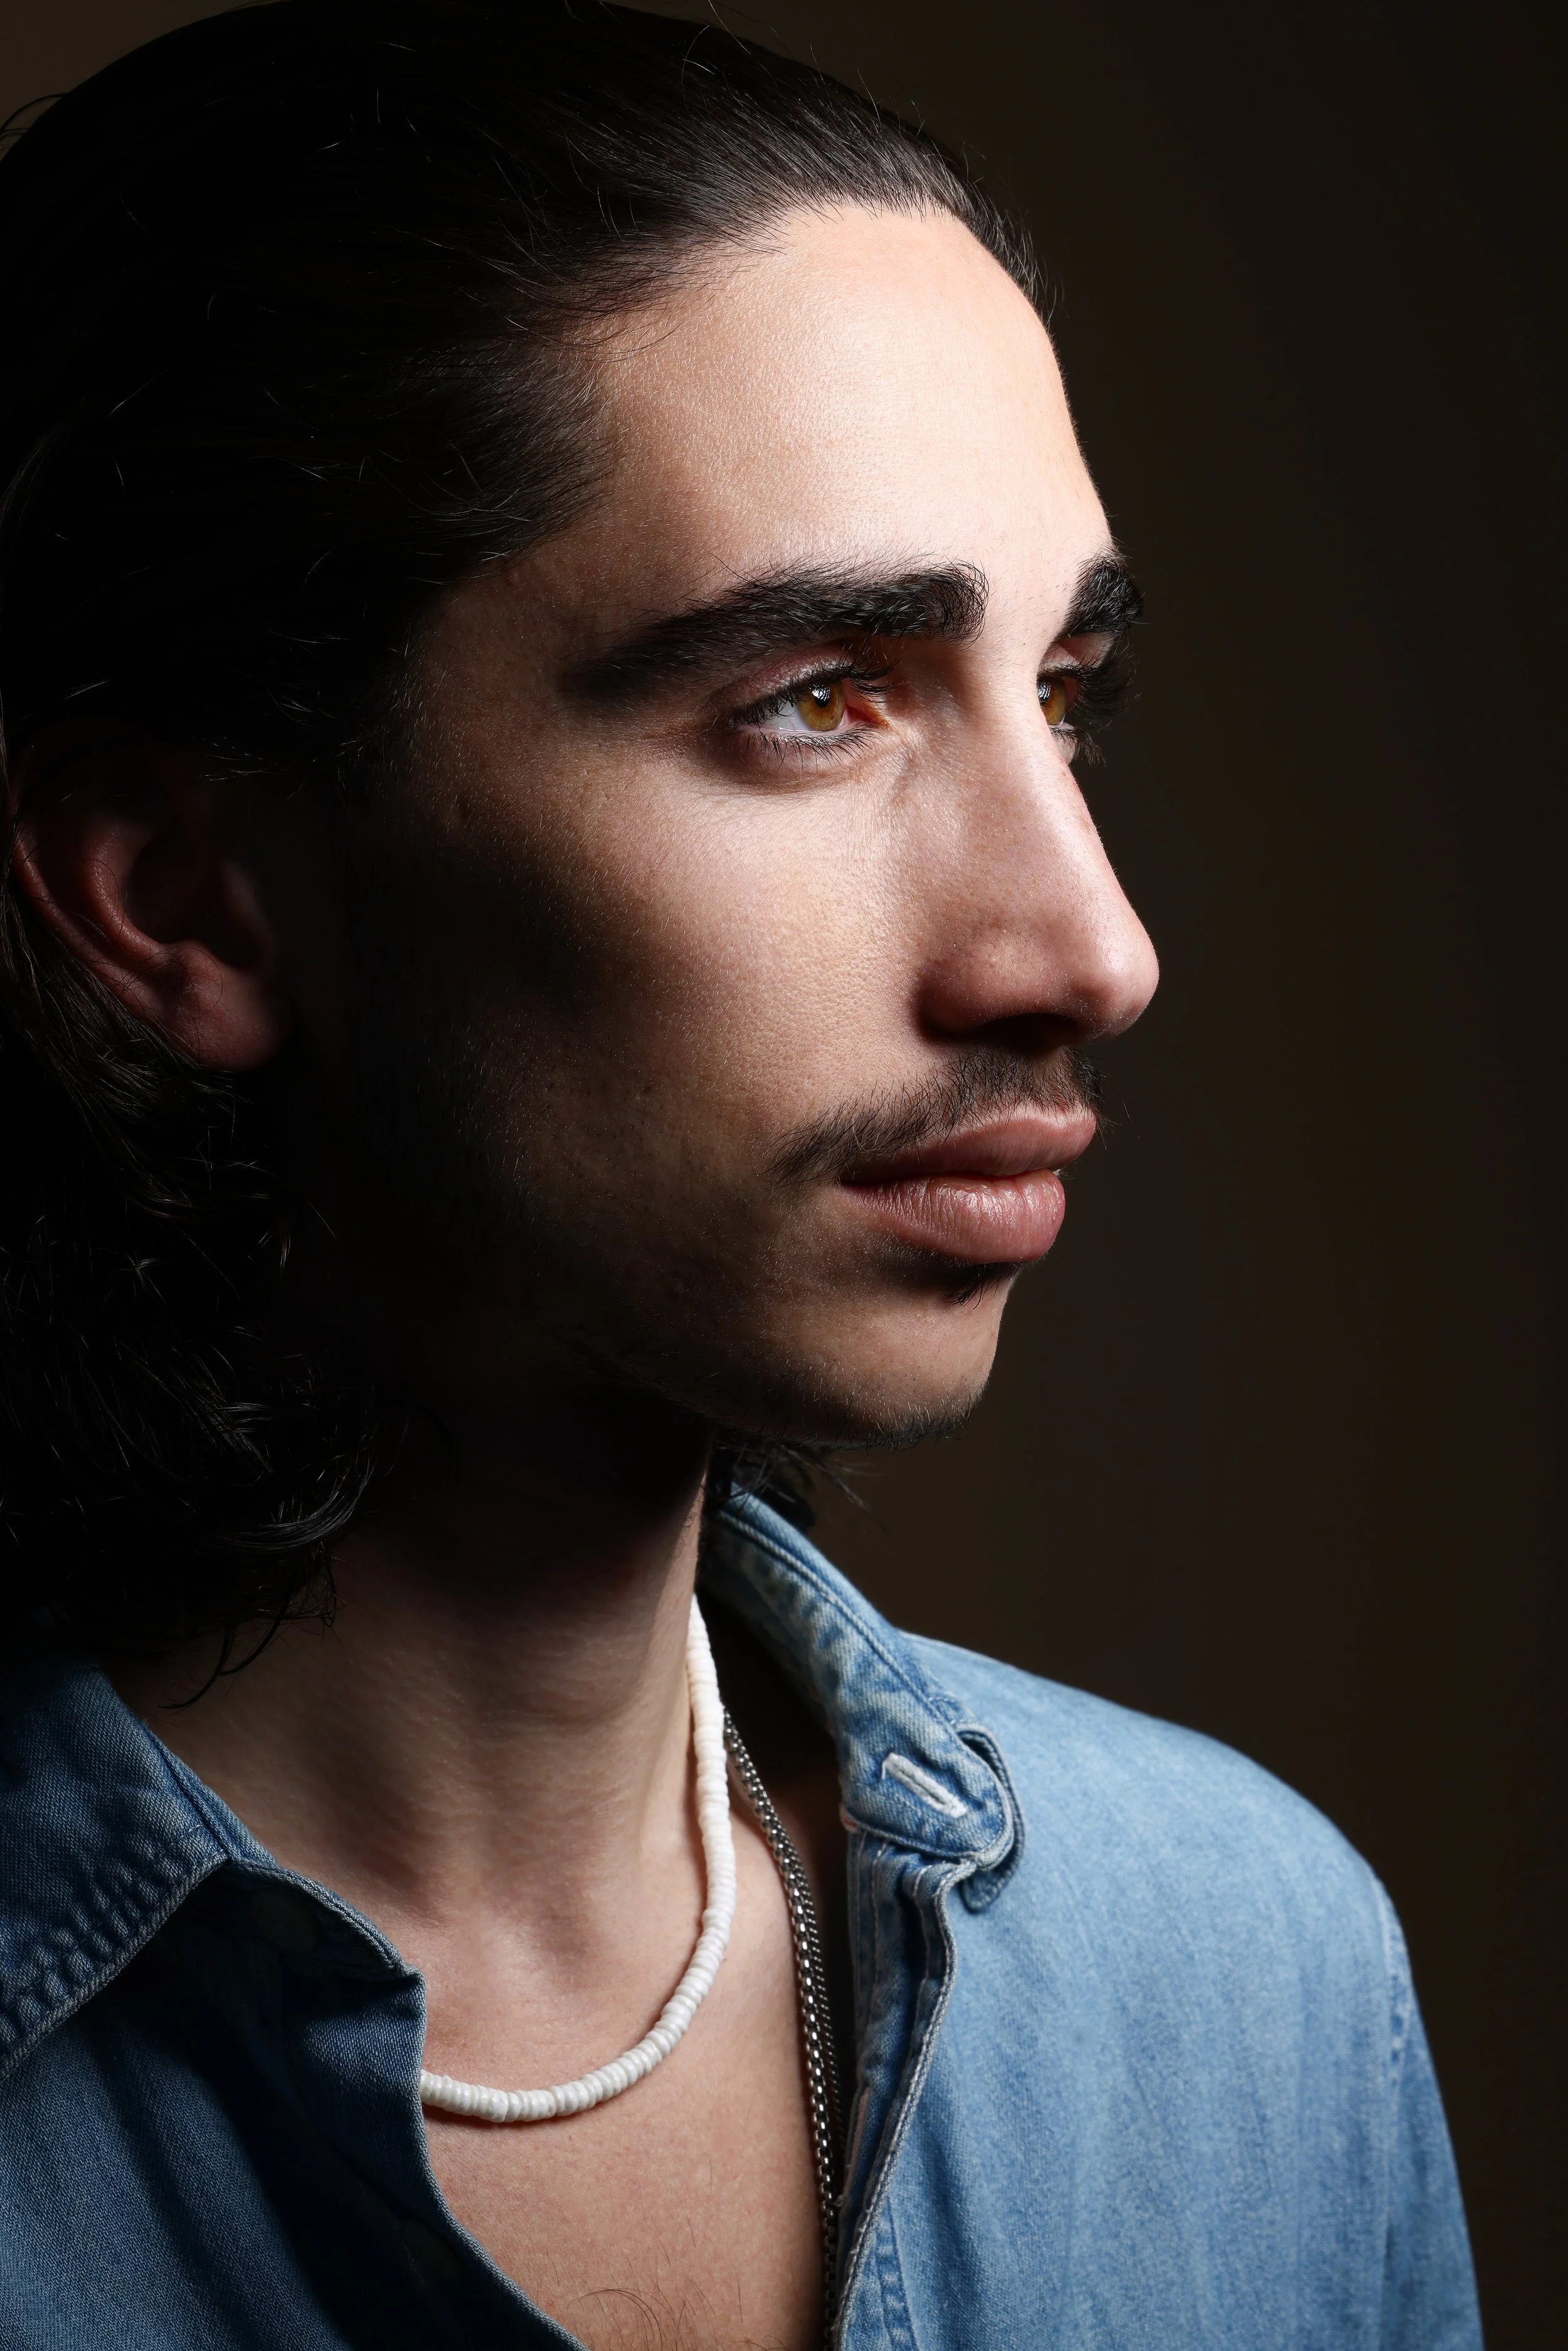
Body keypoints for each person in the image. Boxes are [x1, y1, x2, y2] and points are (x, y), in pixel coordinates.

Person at [0, 4, 1481, 2345]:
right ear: (186, 890)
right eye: (815, 700)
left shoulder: (1246, 1981)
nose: (1089, 947)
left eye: (1063, 693)